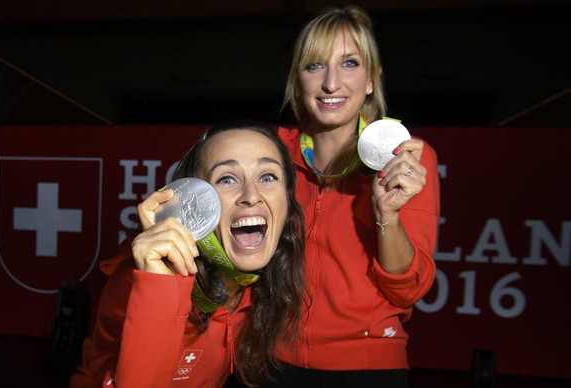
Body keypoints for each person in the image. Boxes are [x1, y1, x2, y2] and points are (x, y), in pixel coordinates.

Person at [265, 5, 441, 387]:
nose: (331, 84)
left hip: (367, 365)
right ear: (297, 79)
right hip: (268, 360)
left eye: (348, 63)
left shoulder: (406, 157)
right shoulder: (271, 153)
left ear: (371, 80)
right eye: (314, 66)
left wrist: (387, 215)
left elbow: (410, 288)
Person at [70, 120, 307, 387]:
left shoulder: (260, 285)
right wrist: (160, 288)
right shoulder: (138, 280)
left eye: (267, 176)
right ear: (193, 201)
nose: (251, 195)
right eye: (226, 179)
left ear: (287, 201)